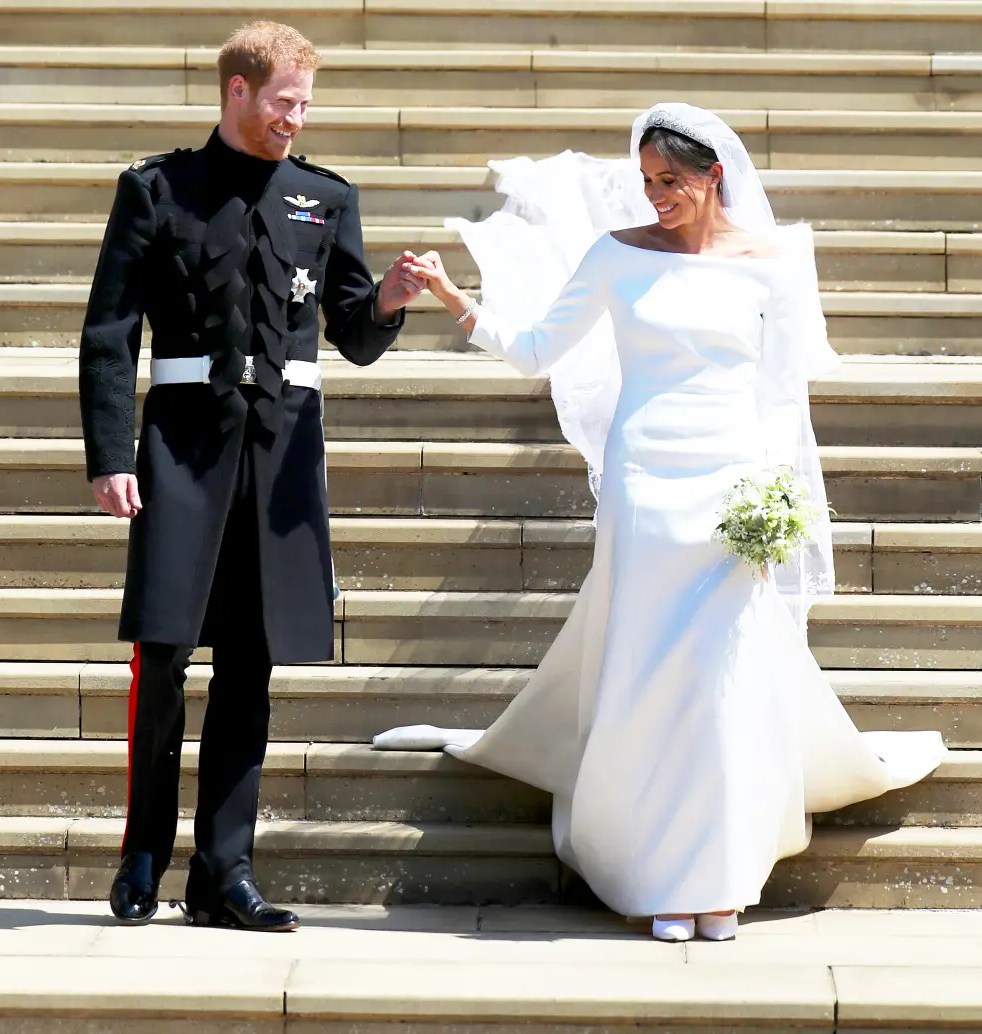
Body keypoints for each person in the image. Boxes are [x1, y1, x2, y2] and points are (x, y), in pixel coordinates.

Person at [374, 103, 947, 942]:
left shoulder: (776, 263)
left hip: (733, 488)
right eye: (645, 182)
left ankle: (719, 875)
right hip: (645, 480)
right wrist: (454, 297)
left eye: (670, 181)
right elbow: (537, 350)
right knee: (649, 678)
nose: (654, 197)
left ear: (715, 174)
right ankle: (654, 874)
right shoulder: (616, 256)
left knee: (720, 685)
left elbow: (784, 392)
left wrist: (775, 500)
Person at [79, 20, 424, 931]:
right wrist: (113, 456)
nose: (295, 120)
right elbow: (109, 335)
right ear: (237, 91)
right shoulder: (158, 190)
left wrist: (386, 301)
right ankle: (143, 851)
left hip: (281, 460)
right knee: (162, 655)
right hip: (181, 451)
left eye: (305, 104)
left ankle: (223, 872)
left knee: (252, 662)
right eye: (283, 102)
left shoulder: (325, 198)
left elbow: (351, 333)